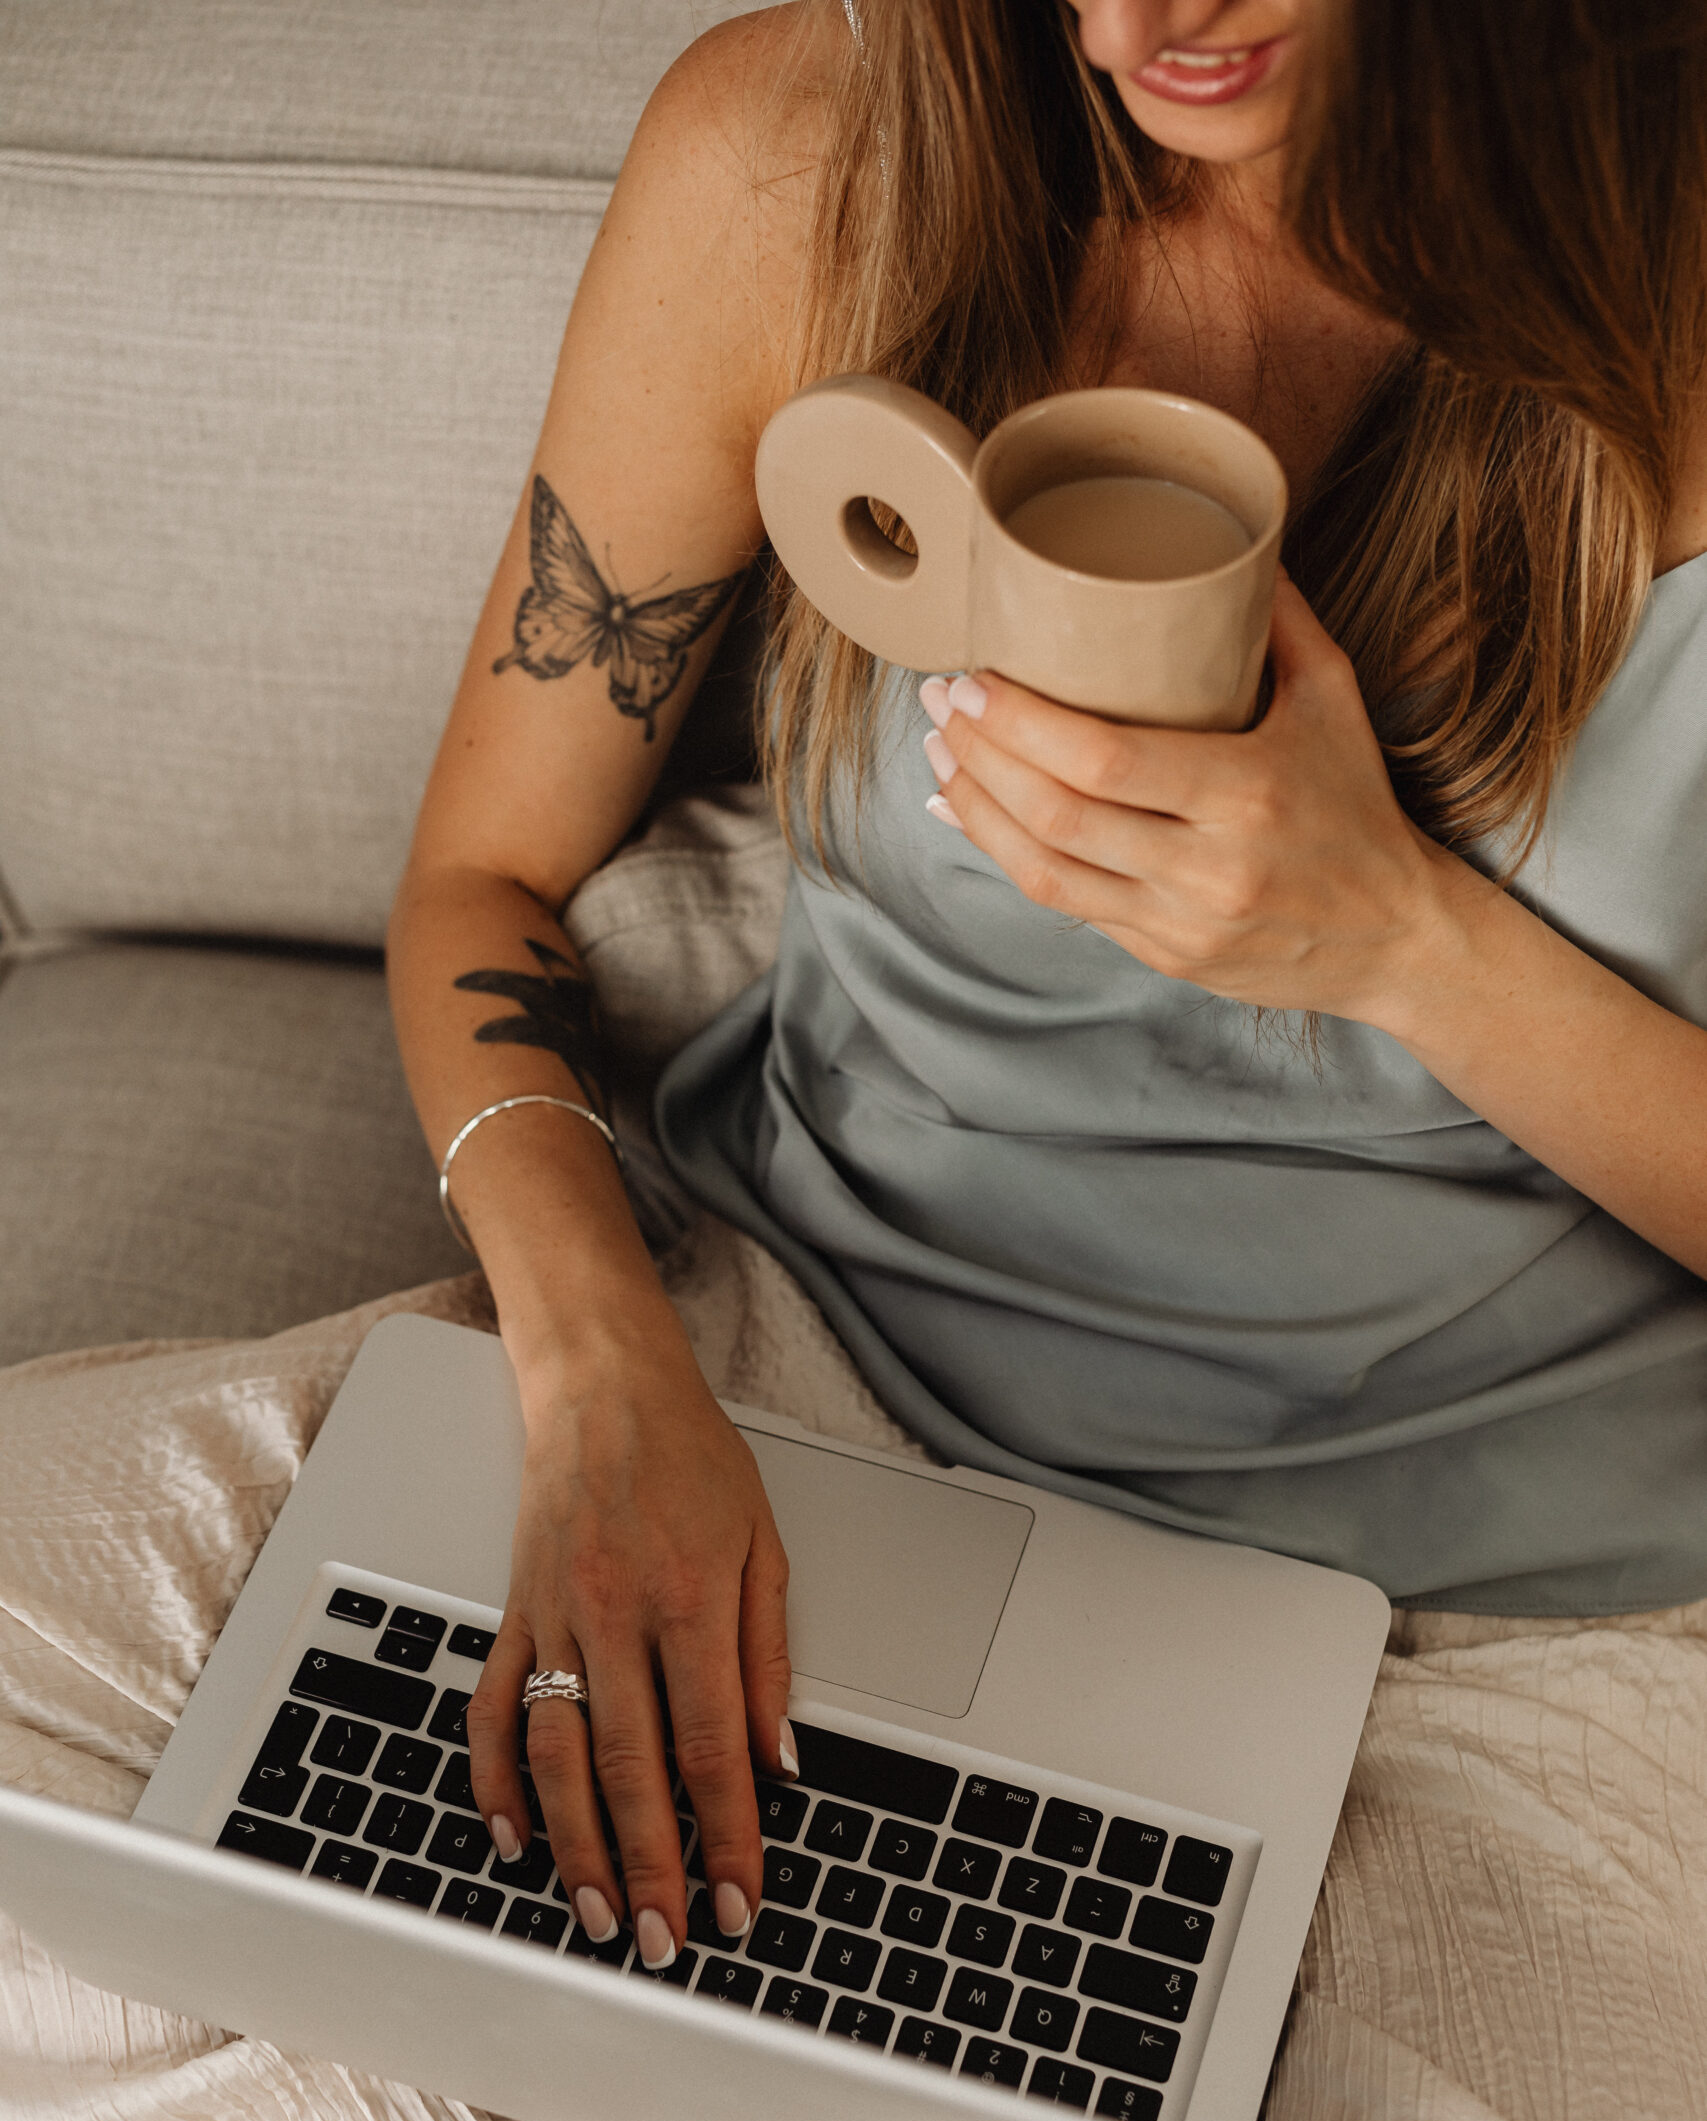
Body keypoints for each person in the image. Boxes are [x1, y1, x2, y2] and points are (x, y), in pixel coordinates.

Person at [387, 0, 1707, 1988]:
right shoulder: (810, 168)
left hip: (1495, 1621)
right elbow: (478, 876)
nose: (1133, 21)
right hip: (794, 1412)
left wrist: (1397, 940)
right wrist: (599, 1368)